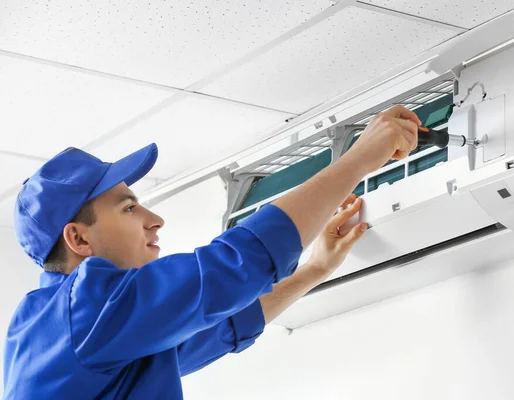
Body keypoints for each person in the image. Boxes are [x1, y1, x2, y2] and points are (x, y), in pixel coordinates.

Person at [3, 105, 420, 399]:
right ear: (78, 240)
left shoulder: (75, 334)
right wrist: (363, 156)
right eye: (129, 207)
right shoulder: (82, 312)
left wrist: (313, 270)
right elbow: (230, 269)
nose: (154, 220)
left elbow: (221, 327)